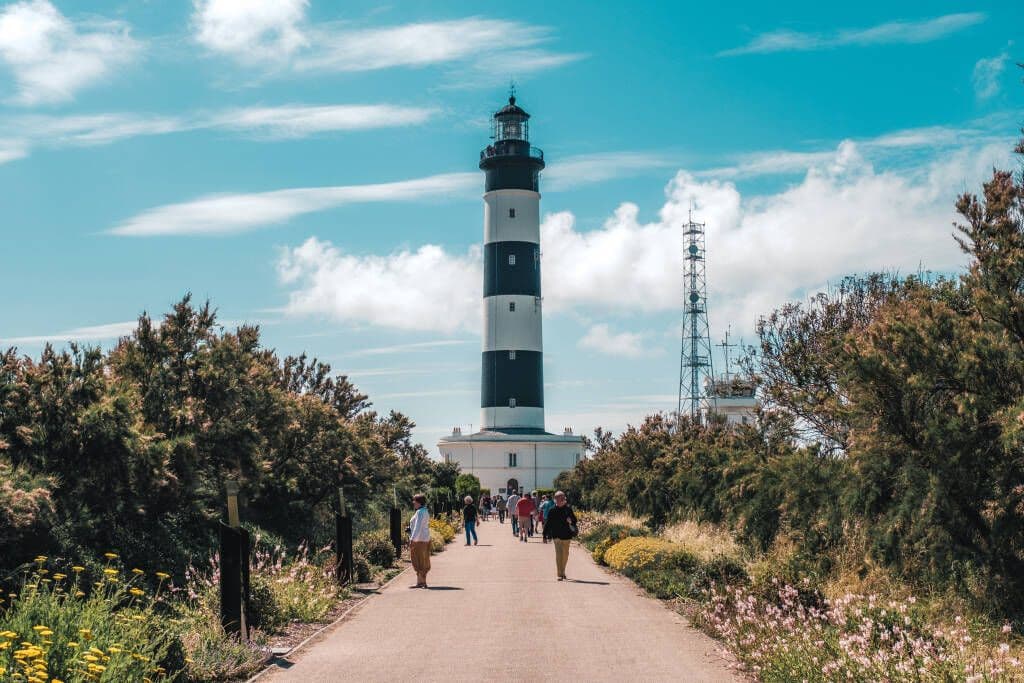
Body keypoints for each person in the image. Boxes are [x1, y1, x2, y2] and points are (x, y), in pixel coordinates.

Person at [543, 491, 578, 580]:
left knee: (565, 554)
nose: (561, 501)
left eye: (562, 499)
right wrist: (544, 535)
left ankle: (563, 571)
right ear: (555, 500)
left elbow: (575, 520)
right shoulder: (552, 510)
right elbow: (548, 523)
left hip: (566, 535)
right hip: (556, 535)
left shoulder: (568, 509)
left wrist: (571, 521)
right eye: (558, 499)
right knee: (559, 554)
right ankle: (560, 574)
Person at [409, 493, 432, 588]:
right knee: (424, 559)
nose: (413, 502)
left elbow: (418, 527)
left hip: (419, 540)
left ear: (419, 502)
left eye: (414, 501)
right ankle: (420, 582)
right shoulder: (425, 511)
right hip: (425, 538)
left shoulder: (419, 512)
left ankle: (422, 582)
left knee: (418, 560)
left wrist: (412, 539)